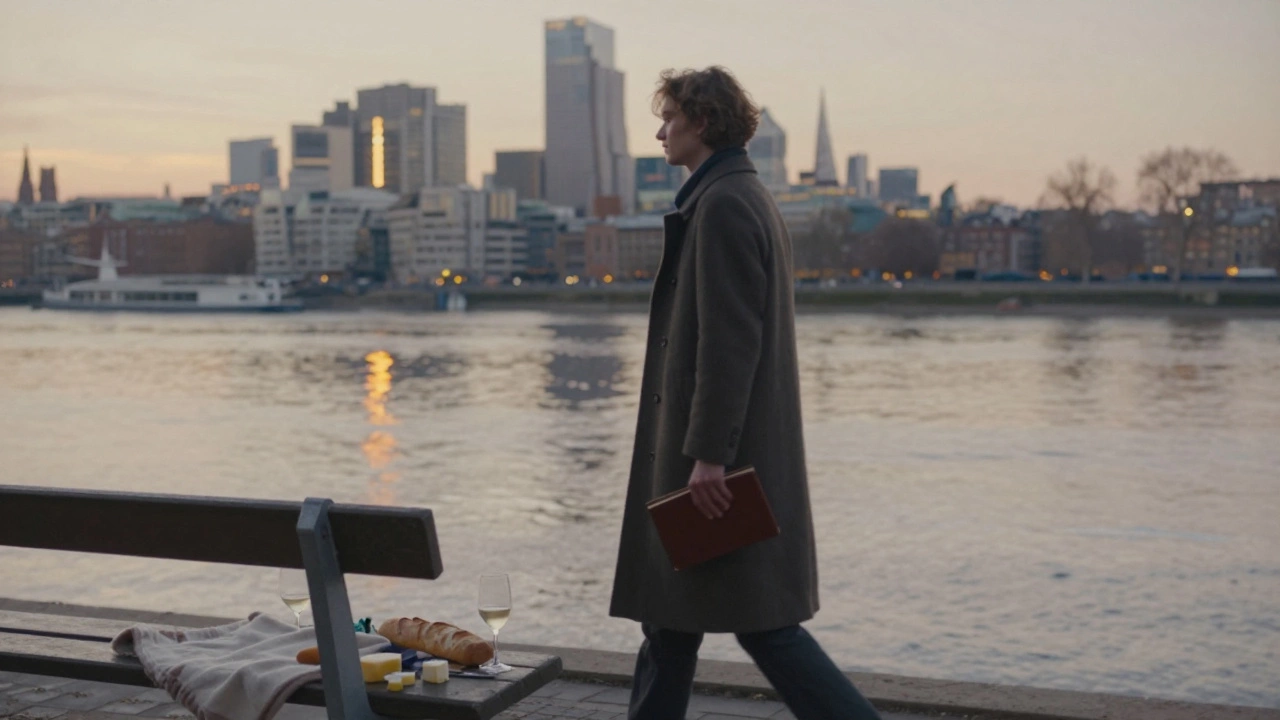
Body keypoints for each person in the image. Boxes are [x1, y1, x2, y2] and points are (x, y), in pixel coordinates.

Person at [608, 66, 884, 720]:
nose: (659, 132)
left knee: (763, 625)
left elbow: (730, 343)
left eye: (670, 118)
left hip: (718, 467)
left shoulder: (726, 204)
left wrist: (708, 455)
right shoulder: (737, 196)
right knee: (671, 621)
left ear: (702, 122)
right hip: (730, 456)